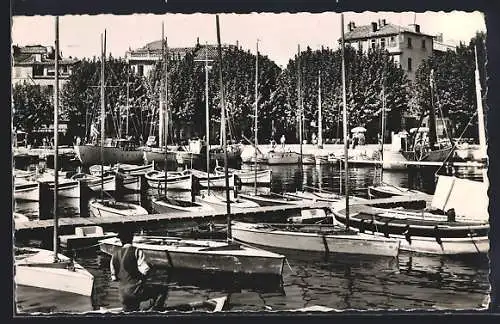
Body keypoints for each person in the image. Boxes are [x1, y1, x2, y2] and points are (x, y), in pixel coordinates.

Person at [110, 226, 168, 312]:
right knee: (162, 290)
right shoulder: (136, 251)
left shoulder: (114, 255)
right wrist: (144, 277)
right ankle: (154, 313)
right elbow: (145, 270)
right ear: (132, 238)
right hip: (135, 291)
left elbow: (114, 278)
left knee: (130, 312)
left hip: (122, 295)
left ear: (121, 240)